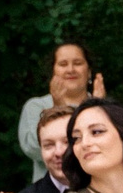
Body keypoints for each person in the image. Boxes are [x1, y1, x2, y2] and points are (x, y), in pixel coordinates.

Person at [17, 43, 102, 181]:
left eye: (78, 63)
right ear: (53, 71)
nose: (71, 69)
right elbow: (33, 149)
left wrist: (100, 110)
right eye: (63, 64)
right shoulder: (37, 106)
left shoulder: (104, 107)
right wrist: (57, 108)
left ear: (89, 71)